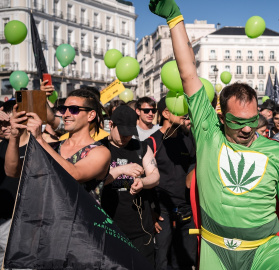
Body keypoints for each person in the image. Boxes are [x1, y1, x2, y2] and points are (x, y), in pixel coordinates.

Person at [150, 1, 279, 269]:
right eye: (238, 121)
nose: (247, 128)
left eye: (253, 121)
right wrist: (175, 19)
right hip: (215, 252)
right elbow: (187, 73)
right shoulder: (210, 135)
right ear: (221, 117)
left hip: (264, 251)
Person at [6, 89, 111, 204]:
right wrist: (14, 136)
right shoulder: (52, 147)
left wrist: (40, 139)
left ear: (90, 115)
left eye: (73, 109)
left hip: (81, 221)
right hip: (47, 220)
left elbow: (74, 174)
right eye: (63, 109)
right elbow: (13, 171)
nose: (65, 114)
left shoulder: (100, 152)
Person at [100, 105, 159, 266]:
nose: (126, 137)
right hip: (110, 228)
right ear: (111, 125)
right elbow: (96, 181)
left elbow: (155, 176)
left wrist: (142, 182)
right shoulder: (99, 148)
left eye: (130, 133)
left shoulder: (141, 147)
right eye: (122, 132)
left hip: (141, 230)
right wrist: (121, 170)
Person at [145, 97, 197, 270]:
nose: (184, 115)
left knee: (186, 261)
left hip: (186, 210)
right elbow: (145, 178)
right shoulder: (152, 142)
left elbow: (193, 163)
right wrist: (152, 211)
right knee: (161, 261)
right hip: (162, 213)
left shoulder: (188, 139)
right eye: (179, 110)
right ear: (166, 113)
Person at [0, 101, 29, 263]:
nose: (4, 127)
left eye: (7, 123)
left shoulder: (37, 144)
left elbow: (12, 172)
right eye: (1, 123)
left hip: (17, 223)